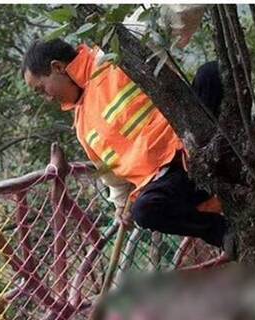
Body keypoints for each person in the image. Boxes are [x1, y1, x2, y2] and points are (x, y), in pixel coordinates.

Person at [21, 38, 234, 257]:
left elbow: (170, 15)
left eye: (41, 89)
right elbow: (112, 178)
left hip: (193, 138)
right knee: (145, 211)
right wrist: (121, 206)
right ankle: (228, 236)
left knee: (212, 73)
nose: (47, 99)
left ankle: (235, 148)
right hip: (175, 179)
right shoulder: (82, 127)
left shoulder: (113, 55)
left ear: (57, 67)